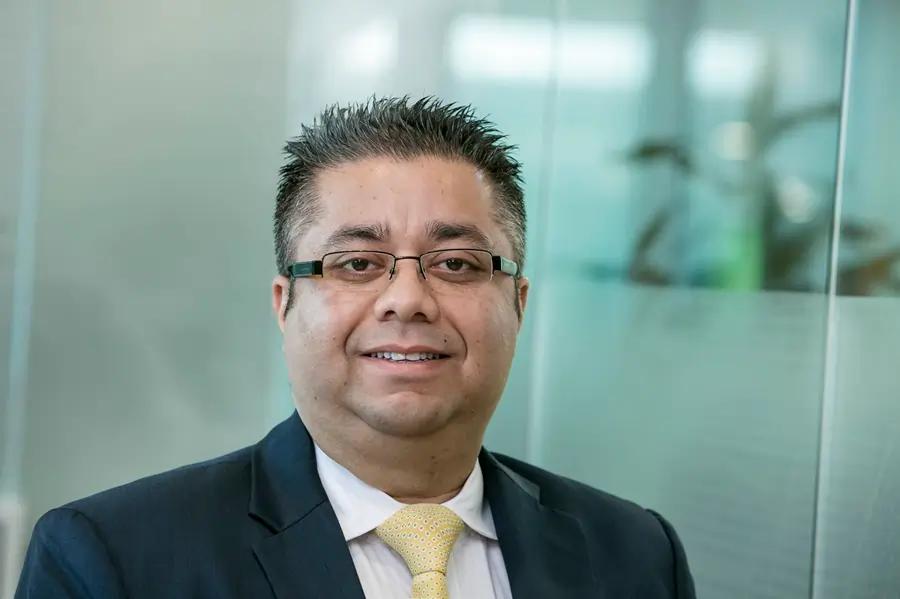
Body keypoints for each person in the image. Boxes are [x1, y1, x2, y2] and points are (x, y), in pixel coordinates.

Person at [16, 97, 695, 598]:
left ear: (517, 305)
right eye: (358, 264)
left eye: (456, 263)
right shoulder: (116, 559)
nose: (408, 299)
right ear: (285, 305)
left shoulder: (635, 556)